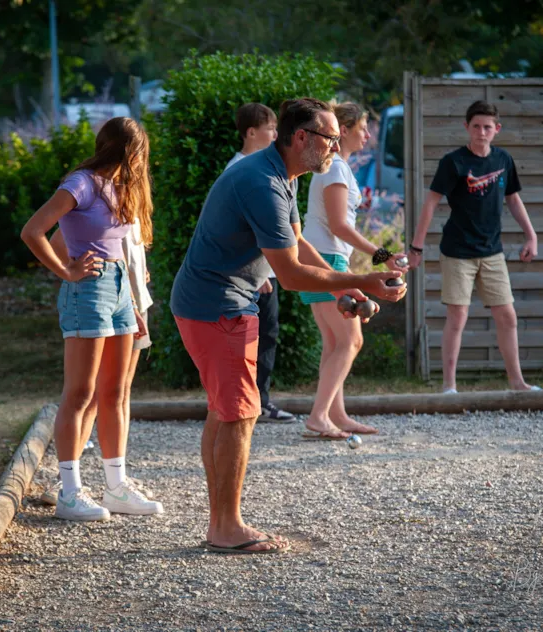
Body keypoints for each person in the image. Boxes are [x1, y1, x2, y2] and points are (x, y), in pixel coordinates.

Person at [170, 98, 407, 554]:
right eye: (331, 139)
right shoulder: (262, 181)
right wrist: (363, 279)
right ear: (301, 138)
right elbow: (294, 275)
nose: (337, 148)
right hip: (219, 305)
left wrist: (345, 290)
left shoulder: (282, 174)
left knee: (225, 410)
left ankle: (221, 521)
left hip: (214, 301)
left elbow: (296, 241)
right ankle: (226, 527)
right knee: (240, 412)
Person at [20, 116, 163, 522]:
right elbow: (34, 231)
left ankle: (116, 487)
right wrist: (66, 270)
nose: (142, 162)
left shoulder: (119, 187)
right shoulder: (81, 183)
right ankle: (69, 493)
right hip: (90, 290)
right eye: (140, 153)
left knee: (114, 393)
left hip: (121, 291)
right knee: (80, 393)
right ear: (126, 150)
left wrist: (134, 301)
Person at [407, 100, 541, 394]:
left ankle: (517, 383)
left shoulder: (503, 160)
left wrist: (531, 236)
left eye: (487, 127)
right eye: (476, 126)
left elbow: (513, 199)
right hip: (457, 251)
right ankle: (449, 386)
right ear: (466, 127)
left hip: (492, 251)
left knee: (507, 316)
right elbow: (431, 203)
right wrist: (416, 247)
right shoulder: (453, 162)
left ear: (497, 129)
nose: (482, 132)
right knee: (458, 316)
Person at [300, 102, 409, 439]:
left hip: (328, 259)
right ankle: (318, 418)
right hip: (326, 260)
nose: (368, 134)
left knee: (335, 342)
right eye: (362, 128)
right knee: (351, 340)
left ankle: (337, 415)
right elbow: (339, 226)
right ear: (343, 131)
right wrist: (383, 254)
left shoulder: (336, 168)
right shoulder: (334, 169)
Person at [39, 216, 156, 504]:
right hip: (105, 300)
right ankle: (64, 481)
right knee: (91, 396)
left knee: (119, 393)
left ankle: (117, 480)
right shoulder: (99, 196)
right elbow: (56, 242)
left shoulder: (132, 199)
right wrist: (73, 271)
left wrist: (140, 274)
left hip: (133, 302)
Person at [225, 103, 296, 424]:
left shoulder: (270, 167)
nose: (275, 134)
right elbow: (241, 225)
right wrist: (258, 272)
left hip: (266, 270)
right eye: (269, 128)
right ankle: (248, 403)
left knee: (268, 333)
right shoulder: (239, 170)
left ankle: (259, 400)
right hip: (250, 275)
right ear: (251, 133)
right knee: (252, 337)